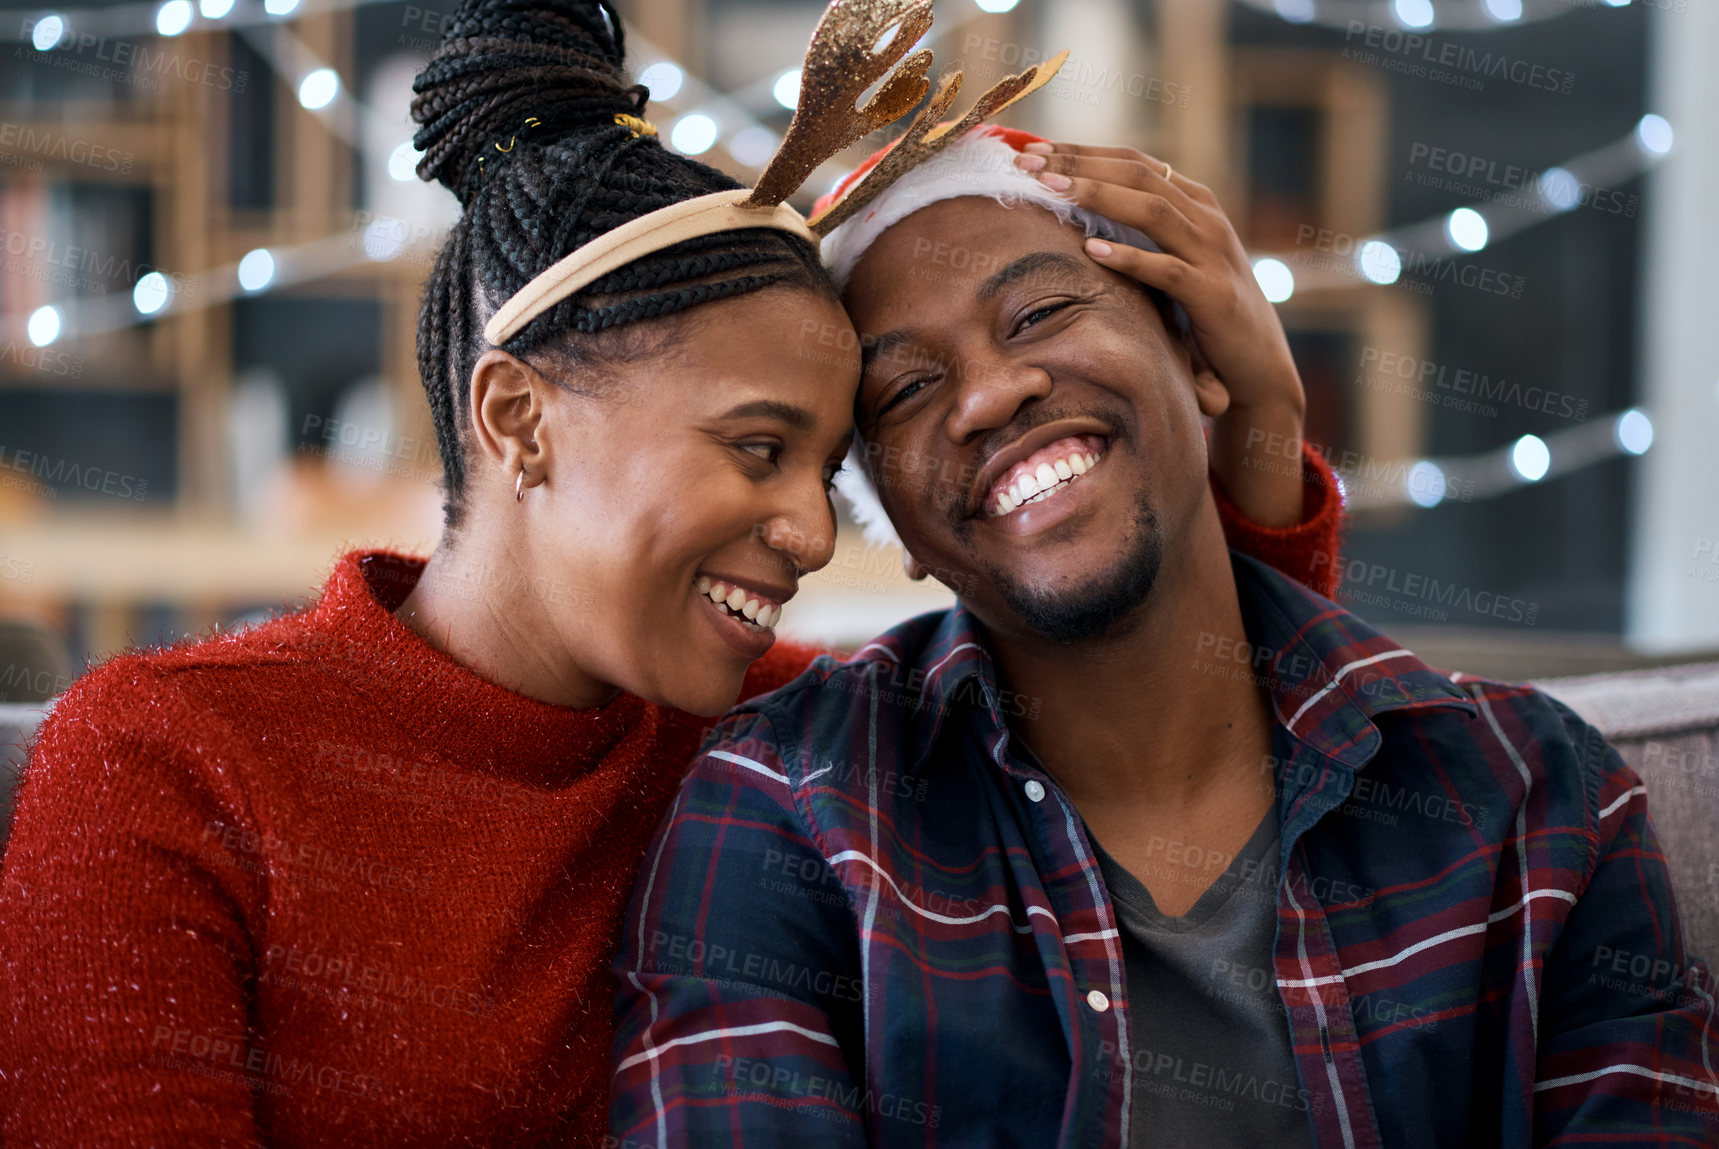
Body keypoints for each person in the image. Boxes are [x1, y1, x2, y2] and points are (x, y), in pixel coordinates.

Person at [0, 4, 1341, 1146]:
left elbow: (1180, 718)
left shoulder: (782, 744)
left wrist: (1259, 432)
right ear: (517, 420)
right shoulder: (171, 756)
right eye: (754, 447)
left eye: (821, 475)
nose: (809, 537)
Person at [609, 127, 1719, 1147]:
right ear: (890, 521)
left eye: (1040, 313)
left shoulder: (1533, 798)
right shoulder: (791, 804)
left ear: (1203, 361)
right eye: (906, 389)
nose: (990, 396)